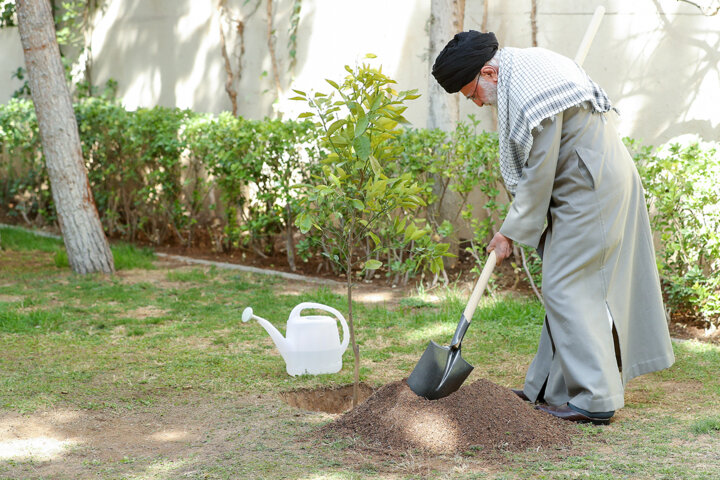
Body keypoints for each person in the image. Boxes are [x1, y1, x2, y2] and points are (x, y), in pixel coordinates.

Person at [431, 31, 675, 425]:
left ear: (489, 72)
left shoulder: (530, 90)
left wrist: (509, 232)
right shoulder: (526, 71)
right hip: (589, 180)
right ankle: (549, 388)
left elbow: (540, 172)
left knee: (566, 285)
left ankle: (595, 399)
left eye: (471, 93)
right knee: (568, 286)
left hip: (590, 189)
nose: (476, 103)